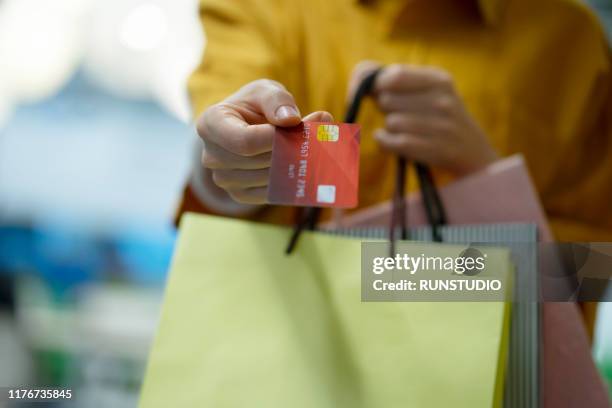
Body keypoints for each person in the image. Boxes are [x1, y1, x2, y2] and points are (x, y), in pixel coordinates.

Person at [179, 0, 612, 331]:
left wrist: (487, 180)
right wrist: (229, 166)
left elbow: (588, 277)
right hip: (268, 357)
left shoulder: (574, 42)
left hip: (469, 379)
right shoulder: (268, 7)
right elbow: (214, 173)